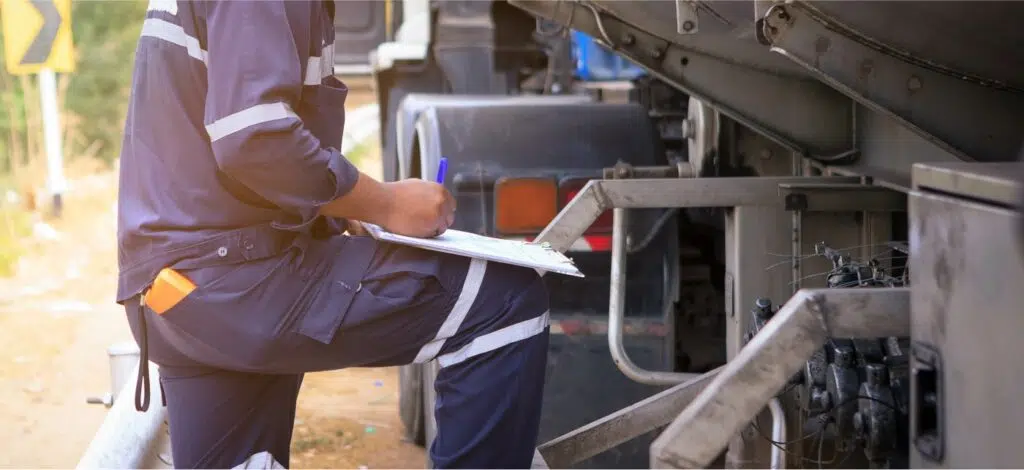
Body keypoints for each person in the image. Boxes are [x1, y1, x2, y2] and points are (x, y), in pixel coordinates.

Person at [115, 1, 551, 468]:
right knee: (503, 300)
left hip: (176, 291)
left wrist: (334, 210)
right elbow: (254, 140)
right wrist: (384, 202)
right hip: (232, 281)